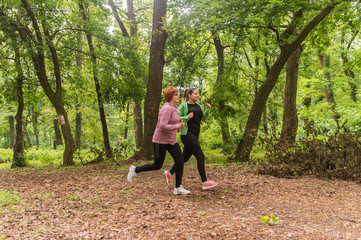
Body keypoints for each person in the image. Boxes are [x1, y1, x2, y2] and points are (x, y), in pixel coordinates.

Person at [127, 86, 190, 195]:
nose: (178, 96)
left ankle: (178, 187)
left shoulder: (174, 108)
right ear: (170, 97)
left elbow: (172, 124)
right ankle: (135, 170)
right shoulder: (166, 109)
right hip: (160, 140)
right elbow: (162, 126)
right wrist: (177, 126)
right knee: (157, 165)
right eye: (175, 95)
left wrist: (179, 128)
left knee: (180, 160)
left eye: (178, 94)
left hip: (171, 140)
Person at [164, 87, 218, 190]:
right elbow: (176, 118)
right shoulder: (183, 106)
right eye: (195, 94)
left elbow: (203, 118)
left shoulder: (199, 106)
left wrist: (207, 109)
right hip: (186, 134)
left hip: (195, 135)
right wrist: (187, 117)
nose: (197, 95)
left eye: (198, 94)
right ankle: (204, 181)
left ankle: (169, 172)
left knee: (184, 158)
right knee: (200, 156)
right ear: (189, 95)